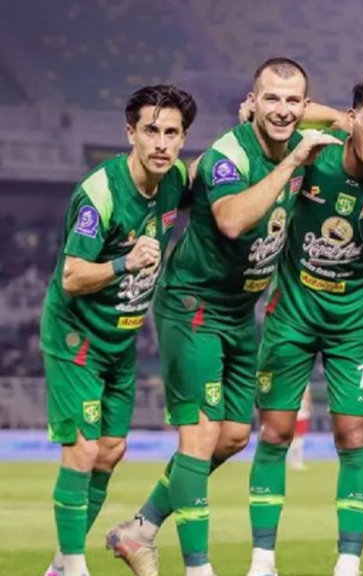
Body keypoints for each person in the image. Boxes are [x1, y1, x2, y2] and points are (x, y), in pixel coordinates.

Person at [106, 58, 341, 576]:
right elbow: (232, 221)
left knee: (234, 436)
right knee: (199, 438)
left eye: (292, 101)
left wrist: (329, 120)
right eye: (270, 99)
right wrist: (292, 161)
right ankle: (198, 568)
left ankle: (139, 529)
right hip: (193, 307)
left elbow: (330, 119)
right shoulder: (226, 157)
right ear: (251, 103)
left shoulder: (296, 127)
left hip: (238, 313)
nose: (282, 110)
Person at [245, 73, 363, 576]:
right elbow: (281, 115)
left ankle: (348, 563)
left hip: (354, 320)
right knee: (276, 433)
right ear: (353, 118)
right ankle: (262, 560)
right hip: (294, 313)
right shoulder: (312, 152)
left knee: (354, 437)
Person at [42, 84, 196, 576]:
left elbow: (221, 169)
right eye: (150, 131)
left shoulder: (174, 179)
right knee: (84, 449)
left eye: (171, 133)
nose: (161, 143)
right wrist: (125, 263)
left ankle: (59, 565)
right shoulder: (101, 193)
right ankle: (73, 566)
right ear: (129, 132)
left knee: (111, 450)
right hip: (76, 336)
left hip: (120, 339)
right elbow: (71, 277)